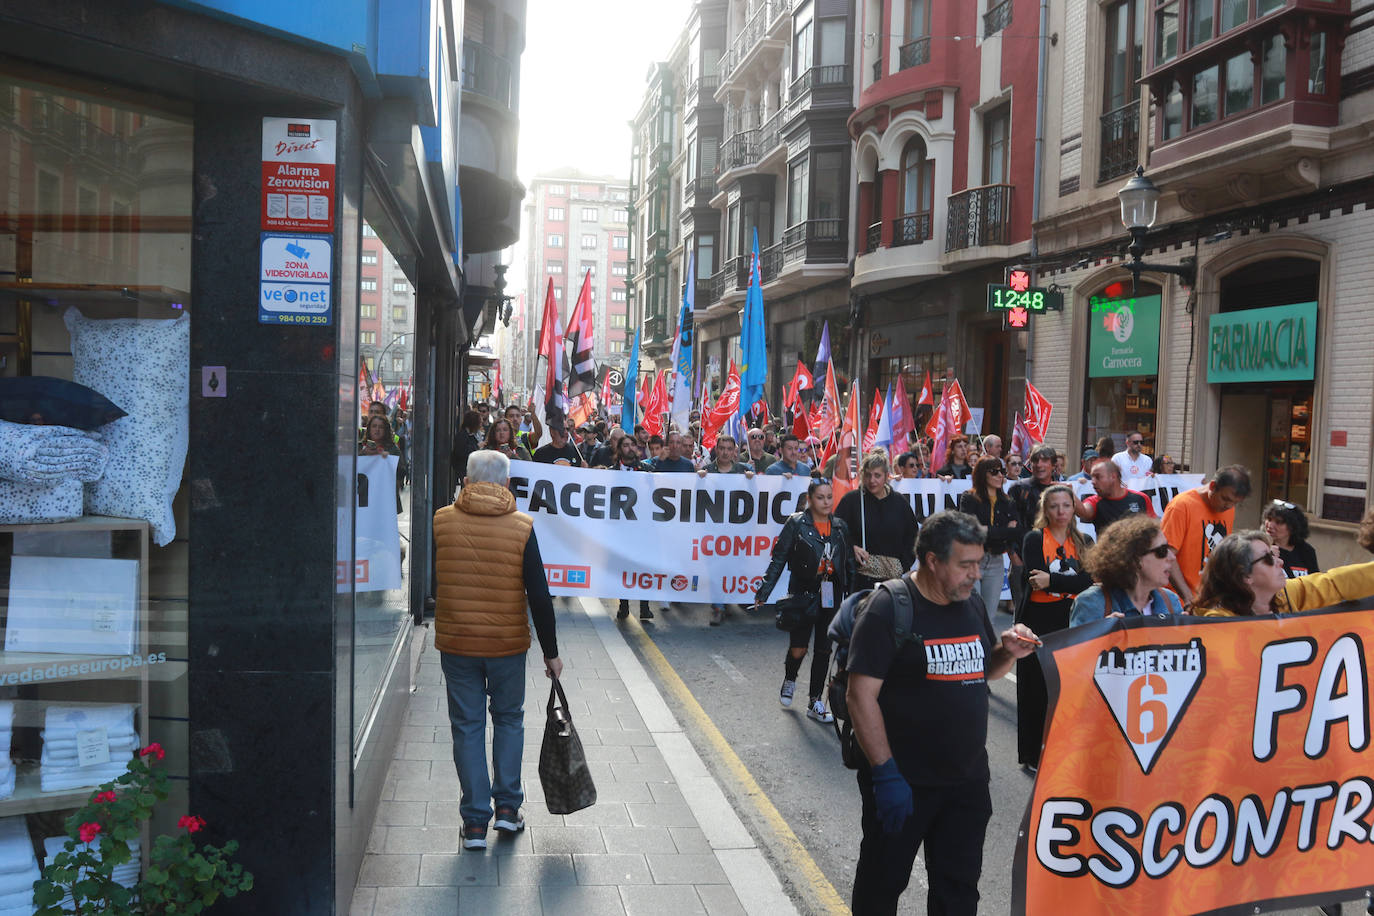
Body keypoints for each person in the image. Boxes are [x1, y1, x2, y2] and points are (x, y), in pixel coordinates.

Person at [845, 511, 1039, 915]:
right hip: (903, 783)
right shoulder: (887, 607)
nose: (976, 574)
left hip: (965, 783)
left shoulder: (968, 604)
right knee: (881, 887)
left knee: (958, 894)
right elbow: (860, 695)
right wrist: (885, 774)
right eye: (965, 565)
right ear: (932, 561)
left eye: (979, 563)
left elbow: (981, 669)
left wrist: (1008, 652)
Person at [432, 449, 562, 851]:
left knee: (467, 726)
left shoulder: (441, 520)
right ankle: (507, 809)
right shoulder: (523, 526)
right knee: (509, 720)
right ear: (507, 484)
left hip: (457, 643)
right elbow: (539, 596)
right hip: (507, 644)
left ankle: (474, 824)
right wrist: (551, 652)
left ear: (467, 482)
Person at [755, 478, 854, 723]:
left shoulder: (840, 527)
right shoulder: (796, 523)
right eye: (820, 497)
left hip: (831, 595)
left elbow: (849, 563)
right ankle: (790, 679)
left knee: (824, 648)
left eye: (829, 497)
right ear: (809, 500)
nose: (826, 502)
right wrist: (763, 592)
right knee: (799, 647)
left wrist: (851, 599)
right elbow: (778, 558)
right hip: (802, 593)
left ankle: (815, 701)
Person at [1016, 485, 1093, 769]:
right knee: (1035, 689)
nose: (1061, 511)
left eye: (1066, 505)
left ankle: (1062, 750)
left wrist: (1055, 582)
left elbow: (1091, 580)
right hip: (1037, 619)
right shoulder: (1034, 539)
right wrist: (1064, 583)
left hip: (1072, 617)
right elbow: (1036, 579)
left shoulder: (1084, 541)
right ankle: (1032, 755)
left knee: (1068, 689)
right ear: (1045, 510)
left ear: (1074, 509)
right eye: (1054, 506)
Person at [1069, 515, 1185, 626]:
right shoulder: (1092, 603)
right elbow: (1077, 646)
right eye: (1162, 550)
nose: (1172, 557)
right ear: (1135, 559)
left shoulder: (1170, 600)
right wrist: (1101, 636)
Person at [1160, 464, 1250, 607]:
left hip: (1208, 601)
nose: (1228, 506)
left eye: (1234, 503)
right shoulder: (1181, 506)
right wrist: (1187, 596)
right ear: (1213, 486)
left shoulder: (1228, 509)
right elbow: (1167, 554)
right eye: (1225, 499)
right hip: (1178, 600)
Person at [836, 452, 918, 593]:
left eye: (877, 475)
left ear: (887, 476)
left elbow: (913, 536)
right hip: (860, 581)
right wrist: (851, 548)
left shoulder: (899, 502)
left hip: (893, 583)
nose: (872, 480)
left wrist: (902, 565)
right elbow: (835, 531)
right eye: (868, 475)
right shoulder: (852, 500)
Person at [957, 457, 1019, 622]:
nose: (1000, 476)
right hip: (973, 560)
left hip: (996, 560)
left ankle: (987, 648)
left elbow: (1015, 532)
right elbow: (970, 530)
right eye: (994, 472)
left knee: (989, 617)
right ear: (983, 474)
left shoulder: (1007, 501)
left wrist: (988, 530)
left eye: (1002, 471)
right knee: (971, 613)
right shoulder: (969, 498)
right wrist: (1004, 530)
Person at [1191, 531, 1287, 617]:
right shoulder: (1220, 622)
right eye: (1268, 558)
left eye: (1273, 554)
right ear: (1245, 575)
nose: (1280, 562)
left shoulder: (1284, 594)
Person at [1075, 457, 1155, 533]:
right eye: (1092, 477)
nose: (1093, 481)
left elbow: (1155, 528)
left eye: (1098, 477)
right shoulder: (1095, 501)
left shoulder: (1141, 498)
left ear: (1113, 477)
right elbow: (1083, 512)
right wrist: (1069, 492)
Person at [1262, 499, 1319, 578]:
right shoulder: (1259, 548)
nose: (1270, 525)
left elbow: (1314, 582)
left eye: (1278, 522)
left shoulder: (1306, 551)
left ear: (1292, 527)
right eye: (1269, 519)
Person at [451, 409, 484, 482]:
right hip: (464, 468)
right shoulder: (463, 435)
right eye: (479, 423)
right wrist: (477, 446)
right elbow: (461, 452)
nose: (481, 425)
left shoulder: (469, 435)